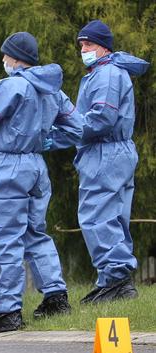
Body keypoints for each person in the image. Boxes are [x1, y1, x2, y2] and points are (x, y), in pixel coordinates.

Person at [0, 32, 81, 335]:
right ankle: (55, 296)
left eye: (5, 55)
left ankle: (8, 310)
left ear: (16, 58)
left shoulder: (10, 85)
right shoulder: (52, 90)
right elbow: (79, 128)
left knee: (5, 236)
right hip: (37, 165)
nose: (2, 60)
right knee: (35, 232)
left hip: (9, 164)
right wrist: (48, 141)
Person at [56, 20, 148, 304]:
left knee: (98, 216)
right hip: (113, 152)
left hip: (104, 153)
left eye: (89, 44)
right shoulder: (106, 72)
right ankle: (112, 281)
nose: (83, 49)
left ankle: (117, 280)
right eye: (81, 44)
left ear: (104, 46)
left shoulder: (106, 74)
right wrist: (63, 136)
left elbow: (101, 118)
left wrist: (64, 129)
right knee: (115, 215)